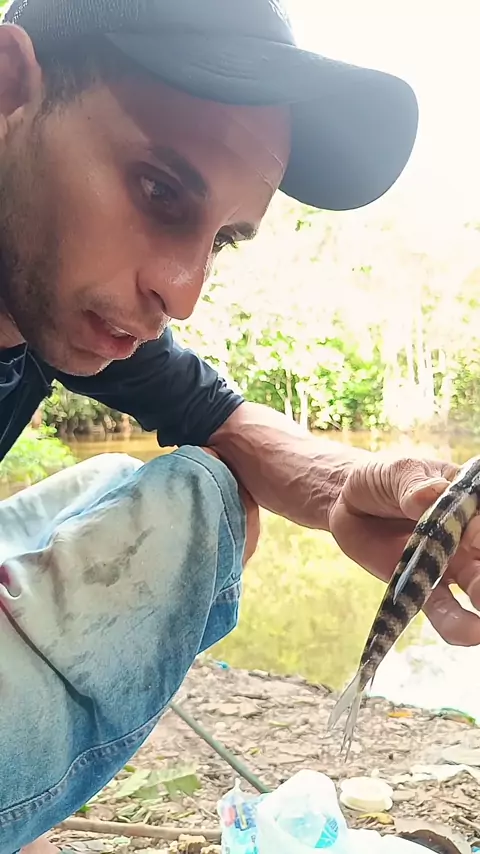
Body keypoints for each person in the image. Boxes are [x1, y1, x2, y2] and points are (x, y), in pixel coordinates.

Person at [0, 0, 480, 852]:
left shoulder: (55, 297)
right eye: (158, 190)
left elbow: (216, 416)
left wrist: (351, 491)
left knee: (168, 486)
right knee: (201, 507)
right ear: (10, 91)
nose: (183, 291)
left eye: (222, 239)